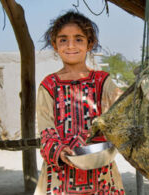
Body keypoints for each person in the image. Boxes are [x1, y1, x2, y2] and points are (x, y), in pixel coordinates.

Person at [34, 11, 125, 195]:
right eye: (63, 40)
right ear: (54, 45)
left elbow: (121, 108)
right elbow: (45, 128)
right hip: (59, 177)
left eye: (78, 39)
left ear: (89, 44)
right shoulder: (48, 85)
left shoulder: (102, 81)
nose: (71, 46)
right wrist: (58, 150)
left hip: (101, 173)